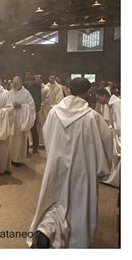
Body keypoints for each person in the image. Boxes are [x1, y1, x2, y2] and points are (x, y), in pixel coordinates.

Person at [27, 78, 112, 248]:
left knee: (56, 201)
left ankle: (47, 229)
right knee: (78, 205)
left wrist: (55, 156)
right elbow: (106, 142)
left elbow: (47, 135)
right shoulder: (92, 117)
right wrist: (102, 169)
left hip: (57, 166)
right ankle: (76, 241)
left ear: (69, 90)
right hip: (83, 170)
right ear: (88, 92)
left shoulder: (54, 112)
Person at [7, 76, 35, 166]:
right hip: (10, 119)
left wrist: (21, 105)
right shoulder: (9, 93)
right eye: (13, 83)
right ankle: (9, 158)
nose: (14, 85)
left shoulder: (26, 93)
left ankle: (18, 159)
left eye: (16, 83)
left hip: (20, 120)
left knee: (19, 140)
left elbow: (31, 106)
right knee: (10, 139)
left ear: (21, 83)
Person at [96, 88, 121, 188]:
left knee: (117, 155)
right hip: (115, 133)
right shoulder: (111, 104)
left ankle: (116, 180)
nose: (99, 101)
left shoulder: (116, 104)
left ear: (104, 96)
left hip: (119, 134)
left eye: (99, 99)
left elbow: (119, 123)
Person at [24, 72, 42, 154]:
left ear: (32, 75)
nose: (27, 76)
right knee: (25, 129)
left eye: (29, 74)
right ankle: (26, 148)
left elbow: (38, 97)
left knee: (33, 129)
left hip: (33, 109)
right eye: (26, 75)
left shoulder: (36, 85)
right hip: (26, 109)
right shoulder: (24, 85)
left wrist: (37, 109)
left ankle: (35, 147)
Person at [36, 75, 51, 147]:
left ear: (41, 80)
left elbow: (47, 99)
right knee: (36, 125)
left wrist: (41, 104)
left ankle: (43, 142)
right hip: (36, 108)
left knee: (43, 124)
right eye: (36, 80)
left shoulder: (46, 88)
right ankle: (36, 142)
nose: (37, 81)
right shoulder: (34, 87)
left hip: (43, 108)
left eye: (38, 79)